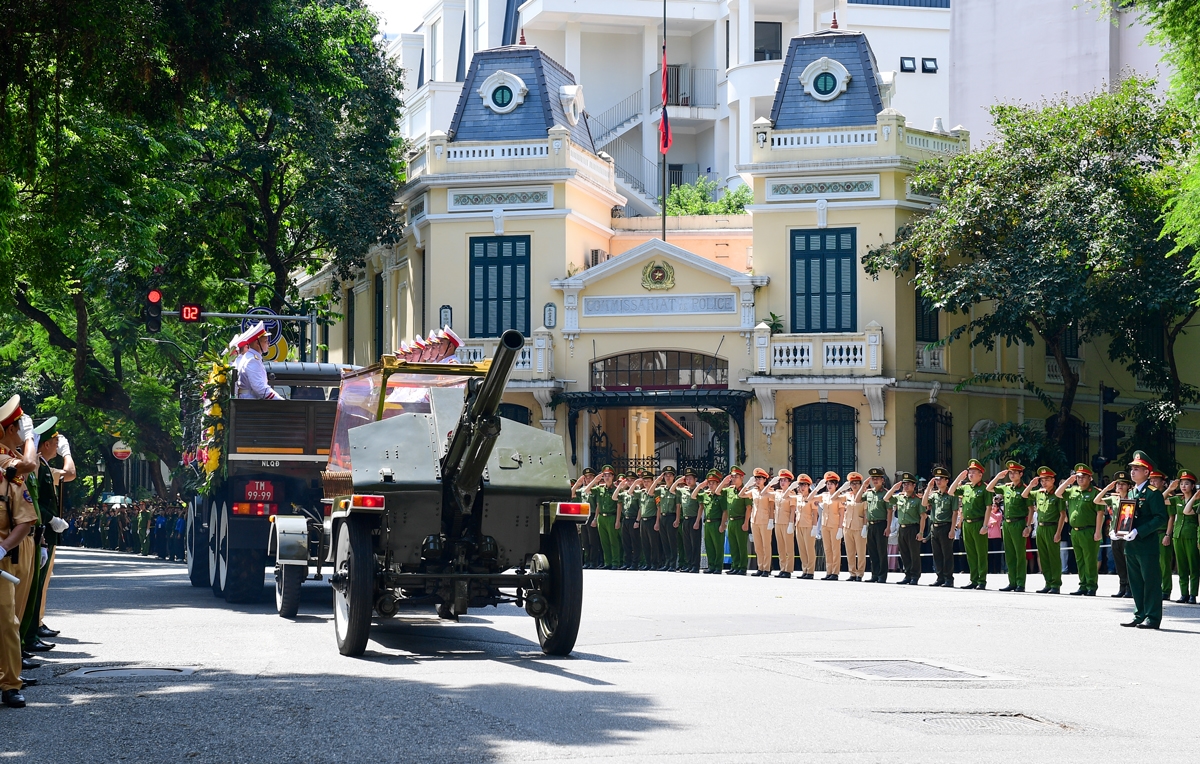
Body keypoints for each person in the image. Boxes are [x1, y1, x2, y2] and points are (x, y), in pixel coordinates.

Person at [1119, 451, 1169, 629]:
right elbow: (1126, 516)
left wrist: (1139, 531)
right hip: (1131, 545)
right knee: (1136, 582)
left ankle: (1152, 617)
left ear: (1147, 472)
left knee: (1151, 582)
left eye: (1137, 469)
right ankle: (1139, 614)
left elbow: (1160, 518)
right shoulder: (1132, 492)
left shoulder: (1153, 493)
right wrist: (1117, 531)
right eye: (1132, 468)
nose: (1132, 472)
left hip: (1146, 544)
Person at [1055, 463, 1102, 596]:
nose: (1080, 479)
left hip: (1089, 530)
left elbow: (1100, 513)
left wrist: (1098, 531)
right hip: (1075, 530)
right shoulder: (1073, 490)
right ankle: (1083, 585)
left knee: (1090, 559)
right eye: (1078, 477)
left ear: (1090, 478)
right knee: (1079, 559)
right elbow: (1058, 493)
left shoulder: (1095, 492)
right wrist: (1068, 482)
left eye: (1083, 477)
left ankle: (1091, 586)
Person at [987, 460, 1032, 592]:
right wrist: (997, 477)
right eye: (1010, 473)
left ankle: (1020, 583)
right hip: (1006, 523)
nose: (1012, 475)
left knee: (1019, 554)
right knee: (1010, 554)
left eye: (1015, 473)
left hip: (1019, 523)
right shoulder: (1006, 487)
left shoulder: (1024, 489)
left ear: (1021, 474)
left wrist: (1028, 526)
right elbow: (989, 488)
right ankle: (1012, 581)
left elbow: (1030, 509)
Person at [1023, 466, 1067, 594]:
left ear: (1053, 480)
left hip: (1052, 527)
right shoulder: (1039, 493)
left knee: (1053, 557)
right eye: (1042, 480)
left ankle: (1056, 584)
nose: (1044, 482)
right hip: (1040, 527)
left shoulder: (1057, 495)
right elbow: (1024, 494)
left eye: (1047, 479)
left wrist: (1058, 532)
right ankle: (1048, 582)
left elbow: (1062, 515)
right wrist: (1032, 484)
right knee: (1043, 557)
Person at [950, 459, 990, 590]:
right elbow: (951, 491)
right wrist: (958, 478)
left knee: (981, 553)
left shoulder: (985, 488)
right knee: (971, 553)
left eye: (974, 472)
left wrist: (985, 526)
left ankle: (982, 580)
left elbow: (988, 507)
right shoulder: (966, 487)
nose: (971, 475)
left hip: (978, 522)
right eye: (969, 472)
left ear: (981, 474)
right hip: (966, 524)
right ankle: (973, 579)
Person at [1162, 469, 1199, 604]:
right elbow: (1160, 500)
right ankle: (1184, 593)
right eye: (1181, 483)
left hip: (1191, 535)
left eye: (1187, 484)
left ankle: (1193, 594)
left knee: (1193, 566)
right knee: (1181, 566)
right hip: (1178, 535)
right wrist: (1170, 488)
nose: (1183, 486)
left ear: (1193, 486)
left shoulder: (1197, 499)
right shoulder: (1177, 498)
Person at [1096, 471, 1133, 598]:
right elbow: (1097, 500)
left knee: (1128, 562)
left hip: (1128, 535)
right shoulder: (1114, 498)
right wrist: (1107, 488)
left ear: (1129, 486)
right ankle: (1122, 587)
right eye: (1118, 484)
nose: (1120, 486)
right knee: (1119, 563)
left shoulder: (1132, 497)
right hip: (1115, 534)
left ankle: (1130, 588)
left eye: (1123, 484)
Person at [887, 473, 924, 585]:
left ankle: (915, 576)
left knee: (914, 554)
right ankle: (907, 575)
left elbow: (923, 516)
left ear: (914, 486)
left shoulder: (918, 500)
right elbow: (886, 498)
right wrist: (894, 488)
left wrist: (921, 532)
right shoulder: (900, 497)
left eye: (908, 484)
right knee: (904, 553)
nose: (905, 486)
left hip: (913, 528)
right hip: (902, 528)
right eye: (904, 484)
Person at [922, 467, 956, 587]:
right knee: (937, 554)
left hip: (946, 526)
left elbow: (955, 513)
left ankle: (948, 578)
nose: (938, 481)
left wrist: (952, 529)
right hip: (934, 527)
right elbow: (924, 503)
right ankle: (940, 577)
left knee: (947, 554)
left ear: (947, 480)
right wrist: (928, 488)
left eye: (941, 479)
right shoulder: (935, 495)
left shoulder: (952, 494)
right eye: (936, 479)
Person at [234, 322, 282, 400]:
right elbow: (259, 387)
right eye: (266, 341)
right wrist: (280, 400)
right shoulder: (252, 360)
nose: (268, 344)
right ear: (257, 343)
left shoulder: (251, 357)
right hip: (251, 402)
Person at [740, 468, 774, 577]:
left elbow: (771, 507)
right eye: (756, 478)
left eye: (759, 478)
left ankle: (767, 568)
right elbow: (741, 494)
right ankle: (760, 567)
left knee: (766, 545)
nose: (757, 480)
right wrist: (748, 485)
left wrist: (771, 520)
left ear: (765, 479)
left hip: (765, 521)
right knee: (758, 546)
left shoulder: (769, 491)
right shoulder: (754, 491)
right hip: (754, 520)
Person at [692, 470, 726, 574]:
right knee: (709, 545)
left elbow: (725, 511)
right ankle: (711, 565)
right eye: (710, 483)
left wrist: (723, 524)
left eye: (713, 483)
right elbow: (693, 496)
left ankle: (718, 567)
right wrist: (701, 486)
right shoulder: (705, 495)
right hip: (707, 523)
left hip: (717, 522)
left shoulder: (721, 496)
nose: (711, 485)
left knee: (718, 546)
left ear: (718, 484)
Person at [586, 466, 620, 570]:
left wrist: (617, 520)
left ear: (613, 476)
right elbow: (587, 490)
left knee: (614, 541)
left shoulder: (616, 489)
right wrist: (595, 480)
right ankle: (607, 562)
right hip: (601, 517)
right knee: (604, 542)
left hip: (612, 517)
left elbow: (619, 505)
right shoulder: (600, 488)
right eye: (605, 475)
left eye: (609, 475)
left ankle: (615, 562)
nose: (607, 477)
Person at [1148, 469, 1173, 601]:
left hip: (1162, 532)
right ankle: (1155, 588)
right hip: (1151, 533)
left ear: (1163, 482)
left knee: (1164, 563)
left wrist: (1168, 534)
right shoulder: (1149, 495)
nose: (1152, 482)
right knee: (1153, 564)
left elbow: (1171, 517)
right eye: (1151, 480)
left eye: (1155, 480)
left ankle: (1166, 590)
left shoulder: (1168, 497)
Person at [840, 473, 868, 581]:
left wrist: (865, 526)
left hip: (859, 526)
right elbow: (834, 498)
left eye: (857, 483)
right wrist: (842, 488)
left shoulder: (864, 496)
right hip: (847, 526)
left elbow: (866, 512)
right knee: (850, 552)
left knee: (861, 552)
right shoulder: (847, 495)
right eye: (852, 483)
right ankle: (852, 573)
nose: (854, 485)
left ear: (861, 485)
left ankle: (860, 573)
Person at [721, 467, 749, 576]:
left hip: (740, 520)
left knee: (741, 546)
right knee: (733, 545)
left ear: (742, 478)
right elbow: (718, 491)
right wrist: (724, 481)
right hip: (731, 521)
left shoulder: (745, 491)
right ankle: (735, 566)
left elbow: (748, 508)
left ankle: (742, 567)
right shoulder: (729, 489)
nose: (733, 479)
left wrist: (746, 522)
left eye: (735, 477)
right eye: (732, 476)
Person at [770, 470, 796, 578]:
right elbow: (764, 493)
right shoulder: (777, 493)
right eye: (781, 480)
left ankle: (788, 569)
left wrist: (791, 523)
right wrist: (771, 482)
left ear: (790, 482)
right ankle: (782, 568)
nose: (782, 482)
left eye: (785, 480)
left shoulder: (792, 494)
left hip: (786, 522)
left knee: (788, 547)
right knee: (780, 547)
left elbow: (793, 510)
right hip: (778, 522)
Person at [633, 470, 660, 571]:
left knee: (653, 543)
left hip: (652, 520)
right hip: (643, 521)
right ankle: (648, 563)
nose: (646, 483)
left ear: (652, 482)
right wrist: (636, 483)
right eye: (644, 481)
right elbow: (630, 492)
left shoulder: (656, 493)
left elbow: (658, 508)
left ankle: (655, 564)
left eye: (648, 481)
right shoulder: (642, 493)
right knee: (645, 543)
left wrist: (657, 522)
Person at [675, 468, 701, 573]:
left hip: (694, 519)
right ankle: (688, 564)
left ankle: (695, 565)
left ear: (695, 479)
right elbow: (672, 489)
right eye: (687, 479)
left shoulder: (699, 490)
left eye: (690, 478)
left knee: (695, 544)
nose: (688, 481)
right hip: (685, 520)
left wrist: (697, 521)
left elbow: (701, 507)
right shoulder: (683, 490)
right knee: (687, 544)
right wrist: (679, 481)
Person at [793, 474, 818, 579]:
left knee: (809, 549)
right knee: (802, 549)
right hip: (799, 525)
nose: (802, 488)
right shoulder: (798, 497)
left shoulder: (812, 498)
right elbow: (785, 496)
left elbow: (815, 513)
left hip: (808, 526)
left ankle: (810, 571)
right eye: (800, 485)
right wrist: (791, 487)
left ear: (809, 486)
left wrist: (814, 527)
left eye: (804, 485)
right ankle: (805, 570)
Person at [571, 468, 597, 568]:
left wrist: (595, 518)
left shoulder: (596, 489)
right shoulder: (582, 489)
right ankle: (587, 561)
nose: (588, 479)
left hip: (592, 515)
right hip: (583, 516)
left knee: (593, 541)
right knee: (585, 541)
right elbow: (572, 494)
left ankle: (593, 561)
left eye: (590, 477)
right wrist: (578, 483)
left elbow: (598, 505)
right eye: (586, 477)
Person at [654, 466, 679, 572]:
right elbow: (652, 493)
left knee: (672, 542)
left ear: (674, 477)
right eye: (666, 475)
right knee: (665, 542)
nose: (668, 477)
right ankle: (667, 563)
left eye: (670, 475)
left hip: (671, 517)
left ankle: (673, 564)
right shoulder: (661, 490)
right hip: (663, 517)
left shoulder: (677, 490)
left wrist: (677, 519)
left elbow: (678, 506)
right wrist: (658, 480)